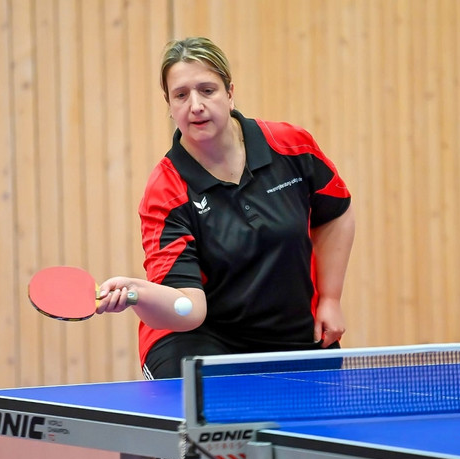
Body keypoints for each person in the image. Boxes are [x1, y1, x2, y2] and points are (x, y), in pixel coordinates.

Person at [95, 36, 355, 381]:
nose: (196, 106)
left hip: (290, 333)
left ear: (230, 93)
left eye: (207, 90)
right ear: (169, 104)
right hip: (203, 339)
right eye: (181, 95)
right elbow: (188, 309)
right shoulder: (167, 190)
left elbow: (335, 213)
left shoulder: (290, 146)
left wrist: (331, 299)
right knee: (205, 400)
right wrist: (136, 293)